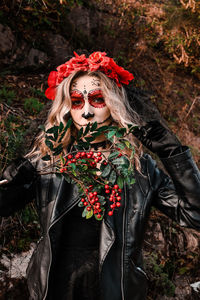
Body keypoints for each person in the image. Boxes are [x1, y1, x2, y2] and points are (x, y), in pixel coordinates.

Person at [0, 51, 200, 300]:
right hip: (53, 290)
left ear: (114, 104)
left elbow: (194, 215)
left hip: (116, 291)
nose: (86, 112)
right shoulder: (47, 161)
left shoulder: (140, 168)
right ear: (66, 108)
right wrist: (11, 182)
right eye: (76, 101)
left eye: (96, 100)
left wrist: (174, 153)